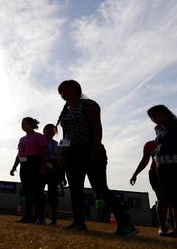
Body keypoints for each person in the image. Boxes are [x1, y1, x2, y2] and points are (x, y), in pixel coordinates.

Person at [56, 80, 137, 236]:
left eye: (65, 90)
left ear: (76, 90)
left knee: (99, 188)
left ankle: (125, 224)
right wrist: (62, 156)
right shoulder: (66, 110)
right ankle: (78, 223)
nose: (62, 94)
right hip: (72, 153)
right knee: (75, 190)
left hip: (89, 149)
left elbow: (96, 126)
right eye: (60, 92)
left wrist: (95, 148)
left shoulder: (89, 104)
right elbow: (66, 136)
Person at [130, 139, 175, 236]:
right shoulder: (149, 144)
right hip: (155, 173)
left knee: (171, 200)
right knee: (163, 200)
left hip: (171, 171)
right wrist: (135, 174)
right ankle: (163, 227)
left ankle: (174, 227)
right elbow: (145, 160)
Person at [10, 117, 47, 224]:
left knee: (38, 192)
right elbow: (19, 154)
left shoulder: (39, 137)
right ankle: (27, 216)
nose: (22, 125)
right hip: (24, 165)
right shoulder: (21, 139)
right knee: (27, 192)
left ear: (31, 124)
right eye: (21, 124)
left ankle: (40, 217)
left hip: (35, 163)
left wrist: (43, 166)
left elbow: (44, 152)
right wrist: (14, 167)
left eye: (24, 123)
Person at [147, 105, 177, 235]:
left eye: (155, 115)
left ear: (164, 113)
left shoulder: (175, 125)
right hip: (161, 167)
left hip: (174, 165)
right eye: (151, 117)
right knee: (167, 198)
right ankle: (166, 227)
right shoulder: (158, 129)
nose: (153, 119)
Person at [43, 124, 64, 226]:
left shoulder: (58, 144)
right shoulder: (40, 140)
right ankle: (39, 217)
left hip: (54, 169)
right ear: (44, 130)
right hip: (41, 167)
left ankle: (53, 219)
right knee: (38, 193)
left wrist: (62, 175)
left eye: (54, 131)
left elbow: (61, 159)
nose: (52, 132)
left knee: (53, 194)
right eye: (49, 130)